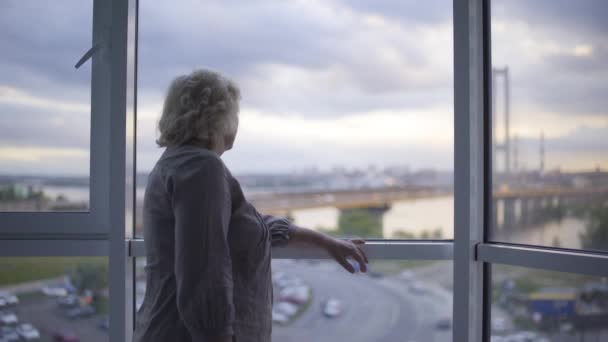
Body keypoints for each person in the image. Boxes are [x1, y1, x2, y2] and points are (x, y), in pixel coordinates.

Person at [132, 69, 369, 342]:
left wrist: (324, 241)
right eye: (234, 114)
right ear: (219, 119)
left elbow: (238, 226)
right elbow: (203, 277)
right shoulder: (202, 169)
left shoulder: (174, 164)